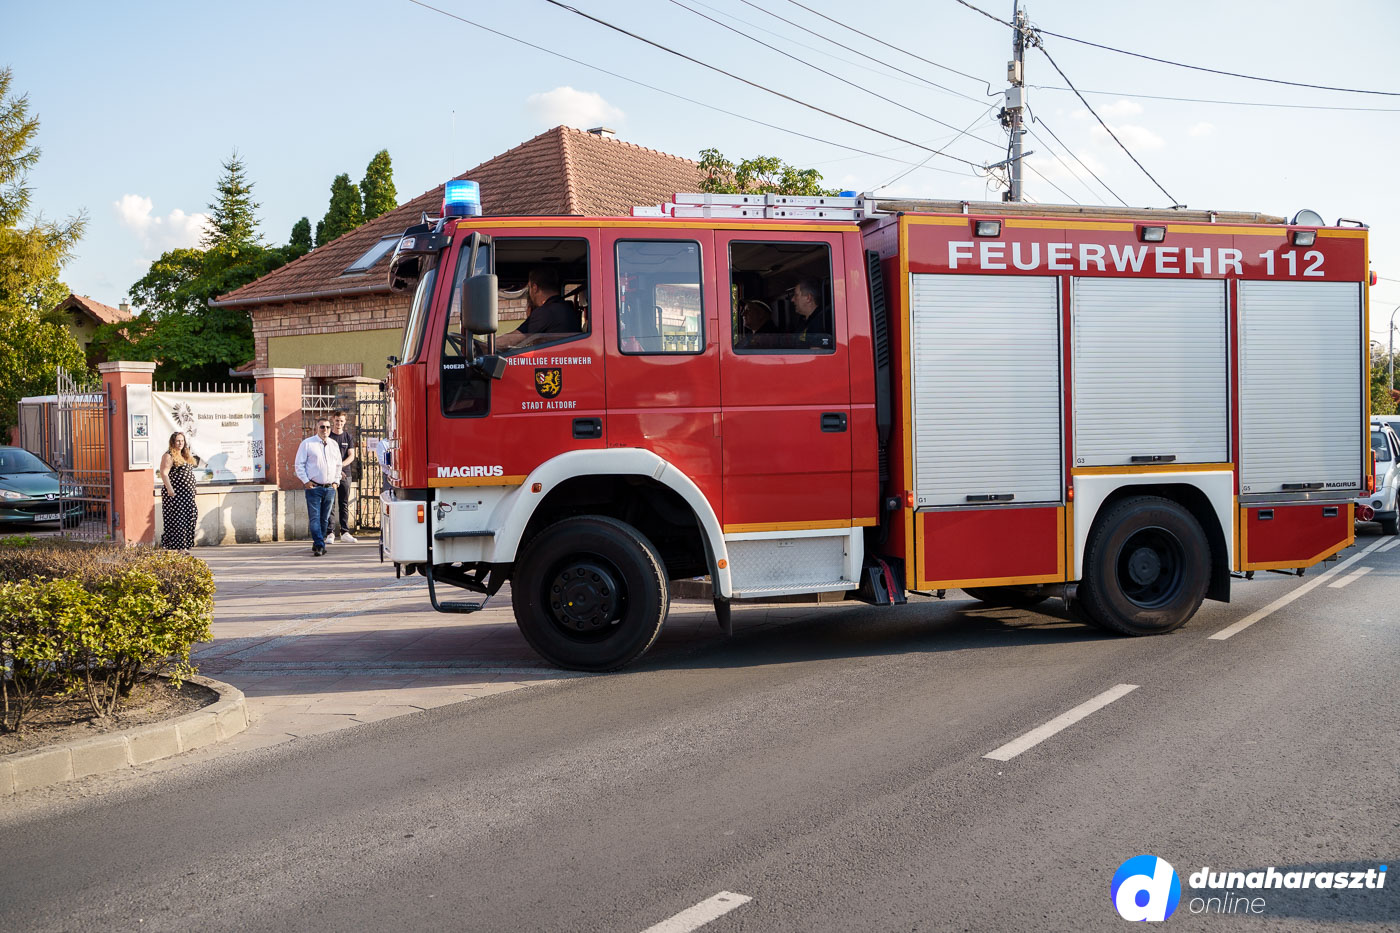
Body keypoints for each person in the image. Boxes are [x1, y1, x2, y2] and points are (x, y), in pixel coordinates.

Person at [294, 418, 343, 557]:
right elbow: (299, 464)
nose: (325, 430)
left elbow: (338, 465)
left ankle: (318, 542)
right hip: (314, 487)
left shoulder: (333, 444)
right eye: (322, 427)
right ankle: (320, 545)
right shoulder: (307, 444)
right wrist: (306, 481)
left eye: (328, 427)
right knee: (315, 517)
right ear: (317, 428)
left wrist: (336, 482)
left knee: (325, 518)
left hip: (329, 488)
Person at [497, 267, 579, 348]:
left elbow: (512, 339)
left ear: (535, 288)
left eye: (529, 287)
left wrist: (488, 346)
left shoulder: (545, 312)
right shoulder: (567, 308)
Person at [158, 432, 198, 552]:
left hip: (187, 494)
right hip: (176, 494)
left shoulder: (185, 455)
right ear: (173, 442)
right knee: (178, 520)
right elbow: (164, 473)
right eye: (178, 441)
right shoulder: (169, 455)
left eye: (182, 441)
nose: (180, 443)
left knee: (191, 517)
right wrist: (170, 489)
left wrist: (193, 487)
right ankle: (179, 548)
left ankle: (185, 545)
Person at [327, 410, 357, 543]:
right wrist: (336, 470)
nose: (339, 423)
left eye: (341, 421)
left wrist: (340, 467)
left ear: (345, 422)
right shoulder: (328, 437)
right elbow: (325, 456)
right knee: (330, 503)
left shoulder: (348, 437)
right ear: (333, 420)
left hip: (345, 475)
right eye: (337, 420)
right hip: (330, 475)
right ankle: (330, 533)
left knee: (344, 503)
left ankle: (345, 532)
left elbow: (351, 455)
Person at [791, 277, 833, 348]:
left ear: (808, 298)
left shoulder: (822, 321)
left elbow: (817, 354)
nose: (792, 299)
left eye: (796, 295)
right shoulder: (802, 321)